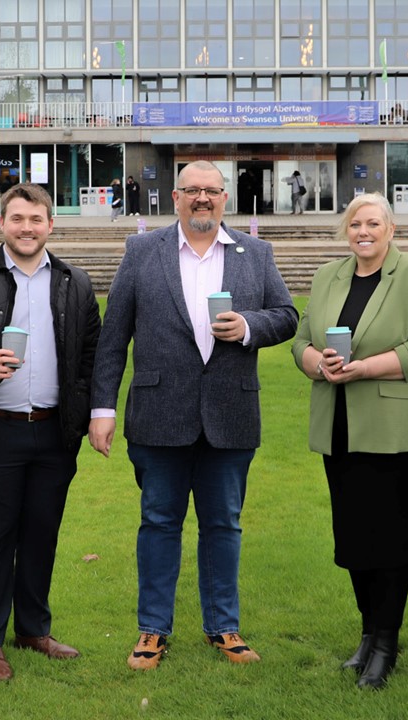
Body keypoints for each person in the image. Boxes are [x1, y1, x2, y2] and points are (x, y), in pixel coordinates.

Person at [88, 160, 298, 671]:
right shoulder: (142, 251)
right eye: (192, 190)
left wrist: (249, 326)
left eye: (212, 191)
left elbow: (288, 316)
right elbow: (114, 337)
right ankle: (152, 631)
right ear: (175, 197)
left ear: (225, 198)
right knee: (158, 523)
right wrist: (102, 408)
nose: (202, 199)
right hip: (160, 413)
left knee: (223, 524)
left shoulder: (256, 253)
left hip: (230, 414)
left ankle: (223, 627)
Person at [0, 182, 101, 682]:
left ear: (50, 224)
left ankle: (33, 629)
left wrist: (95, 412)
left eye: (36, 220)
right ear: (2, 223)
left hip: (54, 431)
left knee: (41, 535)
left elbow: (92, 357)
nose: (26, 228)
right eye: (17, 219)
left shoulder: (75, 282)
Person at [291, 193, 408, 689]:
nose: (363, 231)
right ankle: (367, 634)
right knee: (354, 541)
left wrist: (362, 368)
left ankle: (387, 643)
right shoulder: (327, 276)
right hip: (339, 425)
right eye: (355, 223)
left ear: (390, 229)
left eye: (373, 223)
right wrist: (320, 363)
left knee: (389, 541)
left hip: (392, 430)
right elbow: (300, 341)